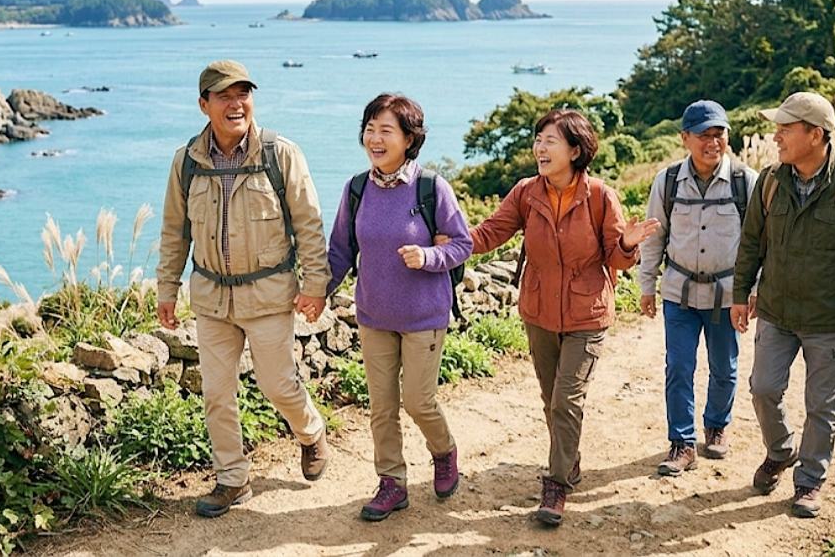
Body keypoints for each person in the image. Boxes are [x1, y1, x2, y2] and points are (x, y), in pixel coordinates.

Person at [156, 60, 332, 518]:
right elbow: (175, 231)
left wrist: (316, 284)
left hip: (269, 294)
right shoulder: (187, 161)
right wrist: (167, 289)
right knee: (217, 392)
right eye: (224, 96)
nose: (237, 104)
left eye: (243, 94)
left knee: (278, 385)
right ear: (204, 105)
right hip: (211, 298)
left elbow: (308, 224)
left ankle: (311, 432)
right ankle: (232, 479)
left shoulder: (280, 153)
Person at [470, 109, 658, 526]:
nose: (540, 147)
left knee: (566, 399)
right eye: (538, 139)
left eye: (550, 140)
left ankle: (556, 484)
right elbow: (490, 233)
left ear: (575, 150)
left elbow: (616, 257)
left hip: (586, 313)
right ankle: (569, 461)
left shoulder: (599, 196)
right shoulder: (525, 193)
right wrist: (448, 241)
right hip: (539, 312)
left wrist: (626, 244)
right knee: (550, 398)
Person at [731, 91, 835, 518]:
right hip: (777, 313)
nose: (776, 136)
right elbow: (750, 245)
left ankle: (809, 481)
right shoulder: (769, 182)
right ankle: (781, 450)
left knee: (821, 405)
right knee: (763, 389)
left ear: (815, 134)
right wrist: (740, 294)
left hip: (828, 320)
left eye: (786, 128)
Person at [325, 93, 473, 522]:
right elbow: (340, 250)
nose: (375, 138)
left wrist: (428, 257)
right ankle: (392, 482)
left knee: (418, 402)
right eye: (370, 129)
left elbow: (462, 243)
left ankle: (444, 452)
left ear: (409, 139)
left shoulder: (431, 188)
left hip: (424, 316)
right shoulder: (356, 189)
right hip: (374, 316)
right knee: (382, 407)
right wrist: (317, 291)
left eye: (386, 130)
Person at [638, 100, 758, 475]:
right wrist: (646, 285)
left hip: (727, 295)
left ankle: (717, 427)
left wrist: (753, 289)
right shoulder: (668, 181)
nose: (712, 142)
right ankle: (682, 442)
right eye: (703, 134)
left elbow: (760, 242)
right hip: (679, 292)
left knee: (725, 366)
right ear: (685, 138)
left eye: (718, 133)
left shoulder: (745, 181)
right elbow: (653, 237)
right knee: (679, 366)